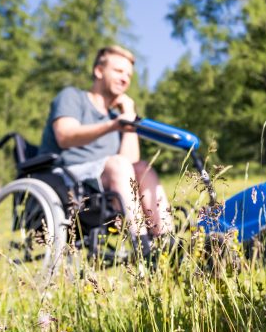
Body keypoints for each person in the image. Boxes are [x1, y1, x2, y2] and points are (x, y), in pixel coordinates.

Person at [38, 45, 171, 249]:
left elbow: (131, 162)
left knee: (142, 167)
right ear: (99, 71)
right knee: (118, 164)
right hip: (67, 180)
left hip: (107, 185)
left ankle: (166, 241)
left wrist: (128, 116)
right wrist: (113, 125)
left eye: (129, 75)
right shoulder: (73, 97)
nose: (125, 78)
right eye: (118, 71)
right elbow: (65, 136)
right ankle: (143, 246)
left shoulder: (114, 118)